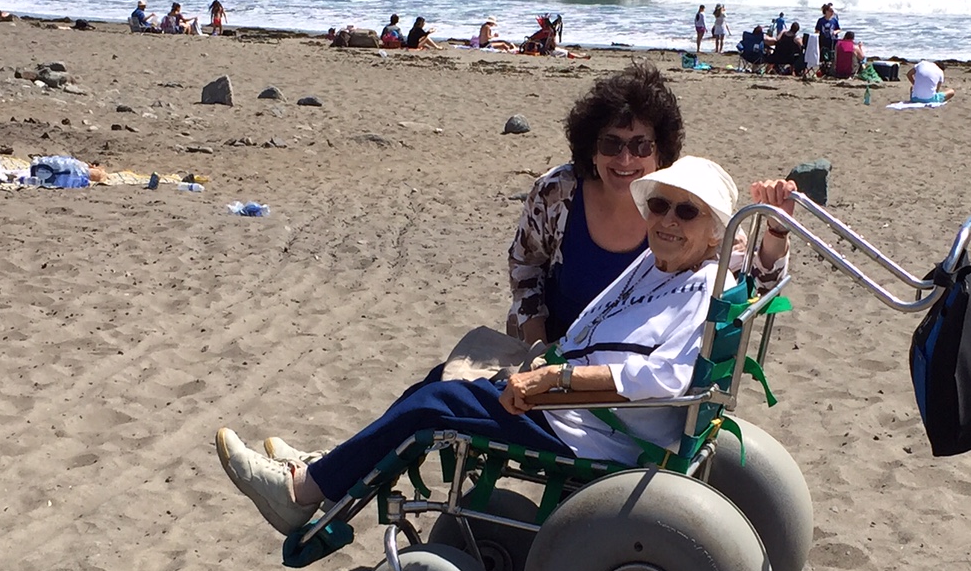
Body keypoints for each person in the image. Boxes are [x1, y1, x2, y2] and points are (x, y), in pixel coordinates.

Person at [215, 159, 798, 534]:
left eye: (686, 210)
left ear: (717, 230)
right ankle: (327, 471)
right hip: (573, 402)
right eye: (660, 205)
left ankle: (301, 493)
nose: (667, 219)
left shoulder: (708, 281)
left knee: (432, 409)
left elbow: (670, 380)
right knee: (438, 379)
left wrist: (555, 382)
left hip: (600, 426)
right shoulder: (668, 259)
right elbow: (753, 267)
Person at [507, 61, 791, 346]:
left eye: (641, 146)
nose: (625, 159)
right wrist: (537, 349)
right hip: (557, 349)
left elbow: (754, 290)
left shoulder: (685, 198)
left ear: (660, 153)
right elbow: (525, 266)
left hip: (642, 366)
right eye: (611, 144)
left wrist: (777, 230)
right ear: (592, 150)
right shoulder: (557, 193)